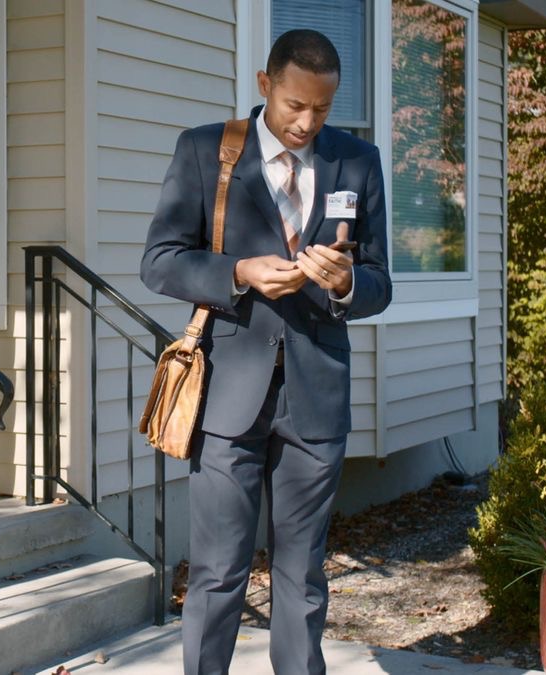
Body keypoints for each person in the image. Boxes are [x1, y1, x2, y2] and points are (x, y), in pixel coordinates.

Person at [139, 29, 393, 675]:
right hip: (227, 396)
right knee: (218, 573)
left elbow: (379, 283)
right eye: (293, 107)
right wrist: (240, 272)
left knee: (302, 576)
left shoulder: (358, 162)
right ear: (264, 87)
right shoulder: (206, 151)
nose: (307, 122)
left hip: (317, 398)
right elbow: (160, 262)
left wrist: (346, 283)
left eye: (322, 109)